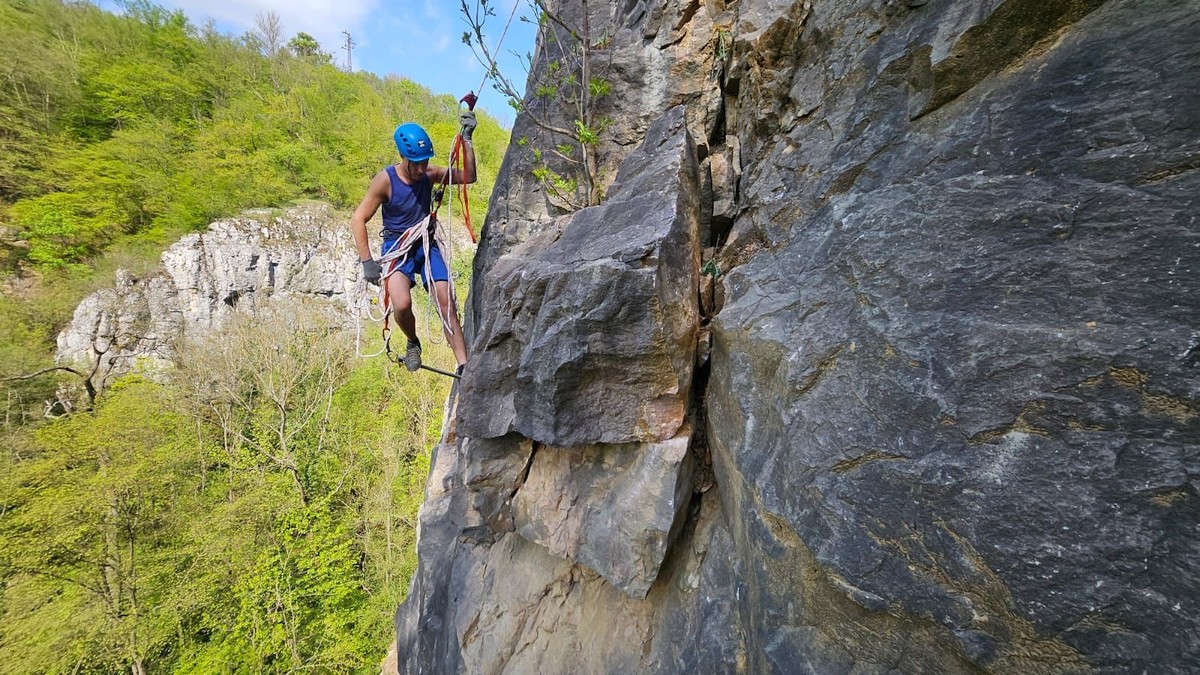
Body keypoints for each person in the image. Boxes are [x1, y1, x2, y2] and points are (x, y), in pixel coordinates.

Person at [350, 112, 477, 374]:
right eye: (415, 163)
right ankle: (412, 341)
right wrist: (367, 262)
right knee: (402, 303)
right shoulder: (386, 180)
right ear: (403, 157)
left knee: (446, 303)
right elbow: (358, 219)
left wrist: (467, 140)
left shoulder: (429, 174)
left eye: (424, 161)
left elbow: (469, 176)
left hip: (426, 245)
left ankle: (464, 365)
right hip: (397, 247)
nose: (421, 168)